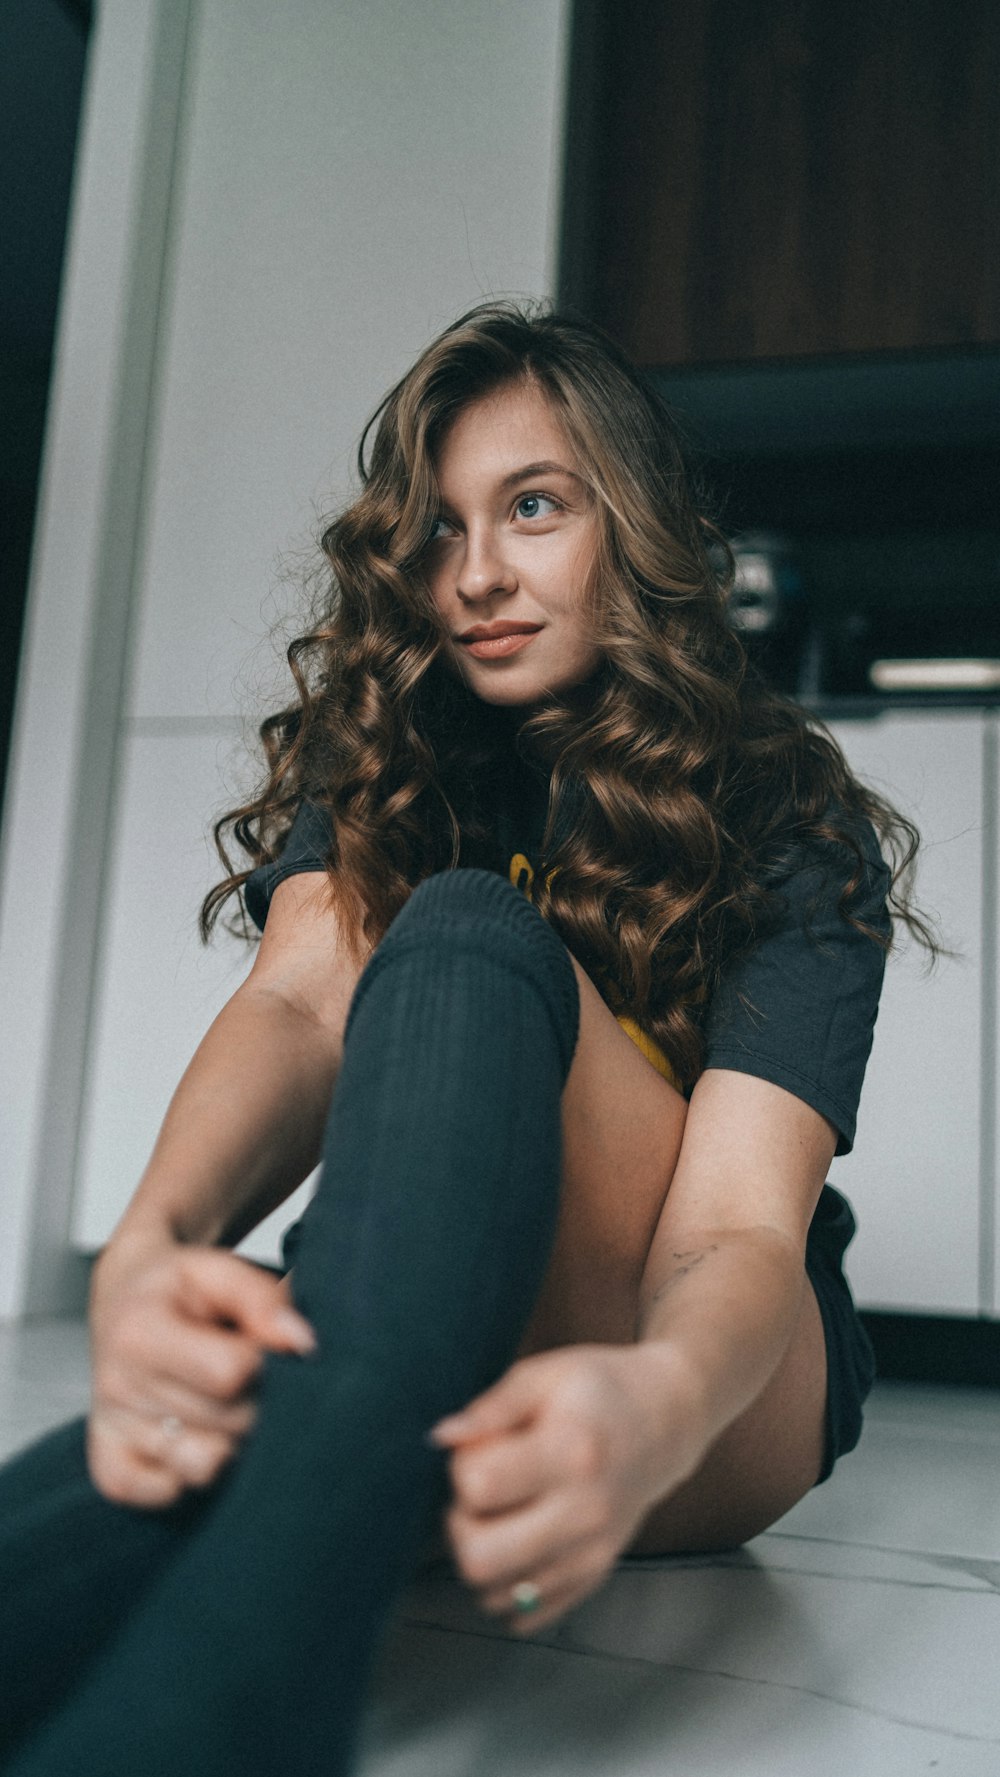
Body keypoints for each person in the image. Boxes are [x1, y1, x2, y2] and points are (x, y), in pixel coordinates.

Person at [0, 302, 930, 1775]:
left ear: (630, 525)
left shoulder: (782, 807)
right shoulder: (394, 746)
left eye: (536, 508)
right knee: (260, 1409)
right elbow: (299, 1001)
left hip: (717, 1366)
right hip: (432, 1308)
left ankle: (244, 1697)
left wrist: (656, 1402)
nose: (478, 573)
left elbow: (738, 1234)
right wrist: (149, 1246)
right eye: (438, 530)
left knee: (464, 931)